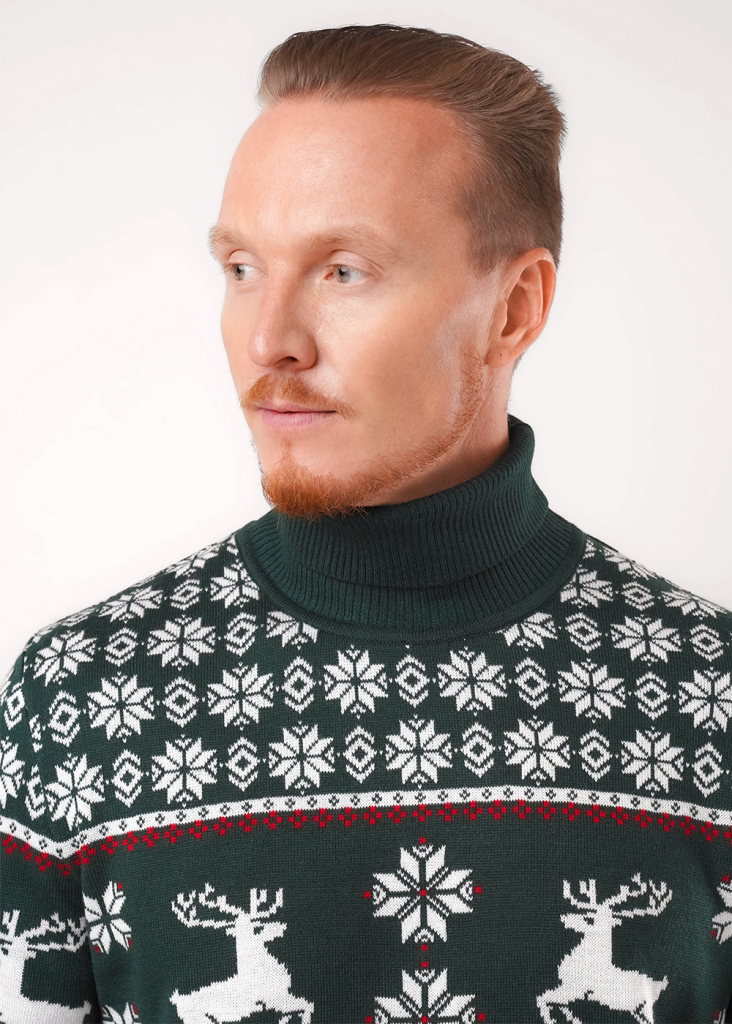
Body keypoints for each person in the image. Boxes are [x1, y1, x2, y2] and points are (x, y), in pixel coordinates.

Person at [1, 22, 730, 1023]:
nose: (269, 340)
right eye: (242, 267)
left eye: (343, 270)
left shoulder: (707, 695)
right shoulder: (84, 695)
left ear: (515, 309)